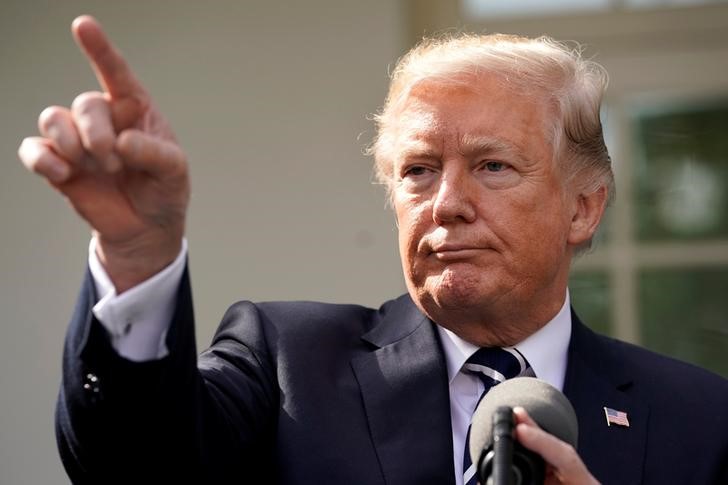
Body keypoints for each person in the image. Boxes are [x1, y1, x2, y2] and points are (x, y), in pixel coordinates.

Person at [19, 15, 728, 485]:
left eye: (492, 166)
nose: (446, 201)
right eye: (418, 170)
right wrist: (137, 252)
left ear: (583, 206)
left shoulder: (699, 419)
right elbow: (135, 465)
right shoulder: (288, 362)